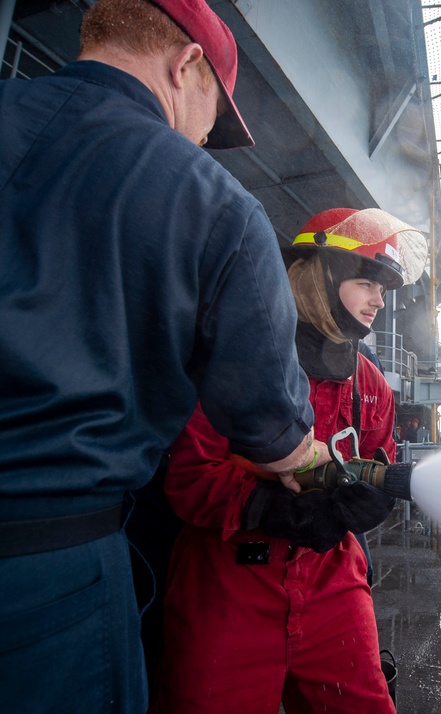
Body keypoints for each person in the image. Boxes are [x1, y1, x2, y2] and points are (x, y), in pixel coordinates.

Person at [0, 1, 328, 711]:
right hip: (47, 574)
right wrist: (326, 471)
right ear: (187, 66)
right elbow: (272, 433)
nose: (206, 138)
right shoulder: (219, 206)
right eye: (214, 115)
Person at [152, 207, 427, 714]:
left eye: (384, 291)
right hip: (228, 588)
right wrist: (271, 508)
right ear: (318, 274)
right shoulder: (233, 359)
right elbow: (190, 477)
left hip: (333, 584)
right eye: (367, 283)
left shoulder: (370, 386)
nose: (378, 302)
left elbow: (376, 466)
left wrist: (370, 505)